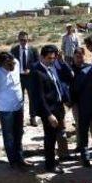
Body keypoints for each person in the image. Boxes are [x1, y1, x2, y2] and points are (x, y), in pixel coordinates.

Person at [0, 52, 30, 169]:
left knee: (19, 133)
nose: (13, 66)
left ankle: (20, 158)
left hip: (18, 106)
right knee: (9, 136)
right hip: (5, 110)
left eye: (13, 62)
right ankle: (13, 162)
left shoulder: (16, 64)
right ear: (2, 64)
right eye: (9, 64)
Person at [30, 45, 67, 174]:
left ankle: (53, 160)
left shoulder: (51, 69)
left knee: (56, 135)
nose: (52, 60)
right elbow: (40, 97)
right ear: (41, 57)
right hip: (49, 111)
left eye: (53, 58)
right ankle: (50, 165)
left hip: (58, 107)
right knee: (50, 138)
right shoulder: (37, 72)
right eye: (49, 58)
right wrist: (49, 115)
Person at [10, 31, 39, 127]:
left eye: (25, 40)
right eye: (21, 40)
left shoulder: (33, 49)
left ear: (28, 39)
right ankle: (20, 119)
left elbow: (37, 63)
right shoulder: (14, 50)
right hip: (18, 77)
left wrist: (31, 70)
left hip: (30, 77)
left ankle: (33, 118)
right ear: (18, 40)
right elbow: (10, 63)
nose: (23, 42)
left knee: (32, 98)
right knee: (19, 98)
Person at [69, 47, 90, 153]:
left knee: (91, 125)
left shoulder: (88, 68)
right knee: (78, 124)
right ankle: (80, 144)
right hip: (76, 101)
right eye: (77, 56)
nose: (79, 59)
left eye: (80, 56)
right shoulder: (70, 69)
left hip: (88, 101)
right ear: (73, 57)